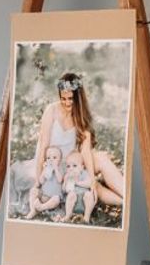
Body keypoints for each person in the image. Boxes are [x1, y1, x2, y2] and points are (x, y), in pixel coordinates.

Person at [28, 72, 126, 217]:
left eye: (70, 99)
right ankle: (124, 203)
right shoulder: (51, 111)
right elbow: (43, 146)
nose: (67, 103)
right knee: (96, 188)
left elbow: (85, 151)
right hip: (54, 165)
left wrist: (91, 179)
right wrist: (39, 179)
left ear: (78, 99)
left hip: (72, 163)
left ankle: (127, 197)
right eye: (63, 99)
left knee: (101, 161)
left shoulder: (81, 117)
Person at [25, 145, 64, 219]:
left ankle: (41, 207)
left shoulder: (60, 169)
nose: (51, 160)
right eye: (48, 158)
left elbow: (60, 180)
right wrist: (44, 170)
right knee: (33, 190)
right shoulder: (46, 169)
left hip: (52, 198)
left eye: (54, 157)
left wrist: (56, 169)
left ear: (60, 160)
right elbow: (41, 181)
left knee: (57, 199)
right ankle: (33, 210)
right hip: (43, 194)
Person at [61, 151, 98, 221]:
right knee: (71, 194)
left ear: (82, 167)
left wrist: (77, 182)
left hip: (84, 203)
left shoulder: (84, 173)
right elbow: (64, 190)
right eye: (68, 166)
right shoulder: (68, 176)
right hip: (73, 204)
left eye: (74, 166)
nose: (71, 168)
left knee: (89, 195)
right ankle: (68, 215)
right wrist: (65, 182)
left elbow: (89, 184)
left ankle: (86, 216)